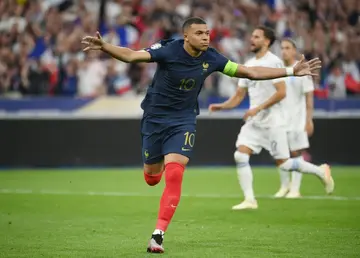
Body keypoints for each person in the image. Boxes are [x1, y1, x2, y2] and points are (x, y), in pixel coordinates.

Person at [81, 18, 322, 253]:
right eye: (199, 33)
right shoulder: (168, 50)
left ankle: (158, 235)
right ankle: (157, 168)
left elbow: (248, 72)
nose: (206, 37)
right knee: (152, 179)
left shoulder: (212, 57)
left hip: (183, 121)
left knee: (175, 173)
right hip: (154, 120)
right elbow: (132, 55)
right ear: (186, 36)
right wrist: (105, 47)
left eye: (207, 33)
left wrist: (290, 71)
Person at [208, 26, 334, 211]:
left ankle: (320, 171)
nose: (252, 39)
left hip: (274, 122)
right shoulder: (248, 64)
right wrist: (222, 106)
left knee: (284, 164)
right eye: (252, 35)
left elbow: (281, 92)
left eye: (256, 36)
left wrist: (257, 108)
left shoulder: (274, 62)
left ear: (266, 41)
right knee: (240, 154)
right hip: (255, 122)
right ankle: (250, 200)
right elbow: (238, 96)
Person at [274, 38, 315, 199]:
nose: (284, 50)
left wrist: (309, 119)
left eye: (287, 48)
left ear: (294, 50)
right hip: (278, 118)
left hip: (297, 118)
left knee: (296, 152)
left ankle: (295, 189)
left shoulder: (302, 70)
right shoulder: (276, 70)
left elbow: (309, 96)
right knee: (280, 154)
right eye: (282, 48)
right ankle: (284, 186)